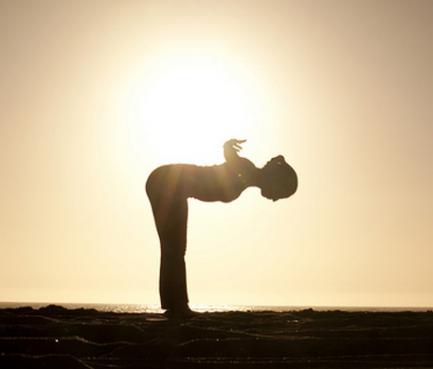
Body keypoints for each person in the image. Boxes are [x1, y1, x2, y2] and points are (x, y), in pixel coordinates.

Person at [145, 139, 298, 317]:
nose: (275, 199)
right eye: (281, 193)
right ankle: (177, 306)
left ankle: (175, 304)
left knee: (175, 247)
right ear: (275, 181)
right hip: (165, 183)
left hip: (173, 188)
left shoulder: (246, 175)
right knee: (174, 247)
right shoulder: (246, 170)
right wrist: (228, 147)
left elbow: (231, 162)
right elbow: (231, 158)